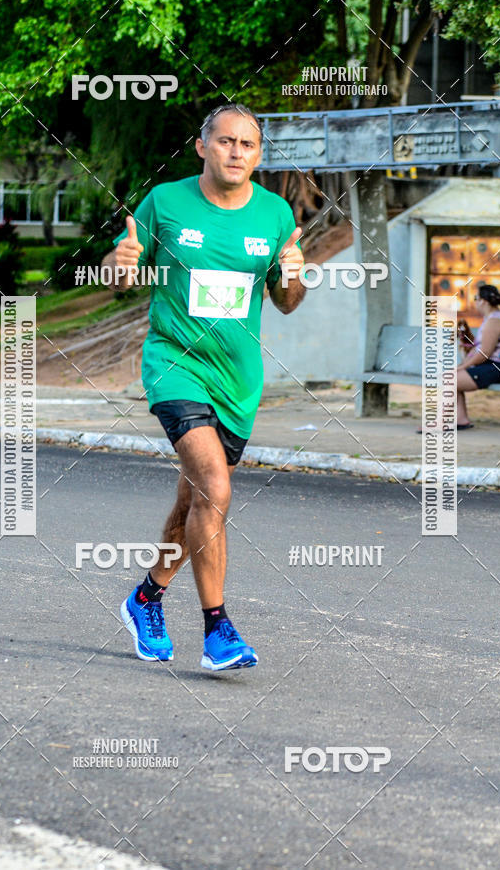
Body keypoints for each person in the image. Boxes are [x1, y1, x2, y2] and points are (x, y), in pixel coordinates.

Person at [102, 104, 305, 671]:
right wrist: (121, 263)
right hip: (175, 365)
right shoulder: (165, 202)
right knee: (214, 487)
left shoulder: (276, 215)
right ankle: (218, 631)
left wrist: (294, 277)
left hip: (238, 383)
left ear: (258, 155)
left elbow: (286, 304)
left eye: (248, 145)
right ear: (202, 146)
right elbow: (122, 277)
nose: (237, 152)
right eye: (226, 141)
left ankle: (145, 598)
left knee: (195, 502)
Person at [457, 284, 500, 429]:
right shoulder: (491, 318)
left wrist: (462, 368)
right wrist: (461, 367)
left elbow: (484, 353)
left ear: (483, 301)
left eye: (476, 298)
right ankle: (460, 419)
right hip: (492, 366)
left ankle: (438, 422)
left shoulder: (494, 322)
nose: (475, 302)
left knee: (450, 380)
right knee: (450, 378)